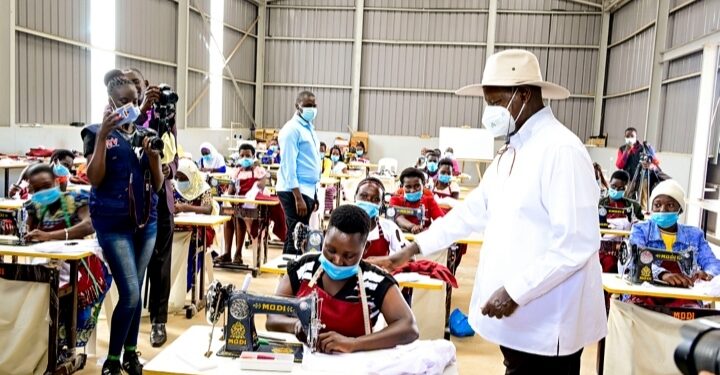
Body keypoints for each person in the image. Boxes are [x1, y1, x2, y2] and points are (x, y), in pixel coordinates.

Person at [369, 50, 606, 374]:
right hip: (520, 319)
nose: (489, 112)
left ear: (524, 94)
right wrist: (409, 251)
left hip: (549, 322)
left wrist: (515, 291)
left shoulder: (560, 151)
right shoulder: (512, 152)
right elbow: (471, 211)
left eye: (495, 102)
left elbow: (576, 243)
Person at [81, 69, 163, 375]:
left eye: (134, 100)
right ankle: (112, 361)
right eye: (122, 101)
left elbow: (157, 185)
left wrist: (154, 158)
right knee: (129, 292)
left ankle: (130, 354)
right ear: (110, 102)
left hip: (146, 222)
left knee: (135, 293)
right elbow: (94, 177)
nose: (128, 106)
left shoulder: (146, 134)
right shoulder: (94, 132)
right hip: (112, 223)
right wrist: (103, 135)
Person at [265, 205, 418, 353]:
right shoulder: (304, 267)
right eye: (330, 250)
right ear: (324, 236)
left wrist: (353, 344)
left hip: (353, 366)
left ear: (365, 248)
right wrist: (295, 325)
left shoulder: (375, 281)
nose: (337, 260)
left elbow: (409, 328)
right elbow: (272, 318)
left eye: (348, 255)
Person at [23, 163, 111, 352]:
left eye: (46, 186)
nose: (42, 192)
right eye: (36, 189)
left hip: (80, 269)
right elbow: (29, 234)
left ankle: (68, 348)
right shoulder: (35, 207)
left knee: (72, 307)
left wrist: (50, 236)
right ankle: (49, 348)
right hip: (51, 268)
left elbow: (89, 225)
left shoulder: (75, 199)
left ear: (56, 182)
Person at [129, 69, 179, 349]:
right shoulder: (123, 114)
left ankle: (158, 322)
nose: (138, 88)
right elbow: (124, 136)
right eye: (132, 86)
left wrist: (166, 169)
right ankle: (130, 321)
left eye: (140, 84)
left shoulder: (165, 118)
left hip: (162, 198)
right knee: (134, 264)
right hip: (134, 199)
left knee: (161, 263)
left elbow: (175, 158)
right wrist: (141, 108)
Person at [276, 91, 321, 255]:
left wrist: (315, 195)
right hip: (294, 190)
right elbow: (289, 166)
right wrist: (298, 197)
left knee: (301, 236)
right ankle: (288, 276)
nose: (312, 108)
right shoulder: (291, 130)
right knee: (295, 235)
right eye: (308, 105)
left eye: (314, 105)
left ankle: (295, 274)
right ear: (298, 106)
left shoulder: (309, 129)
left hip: (307, 189)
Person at [217, 143, 267, 264]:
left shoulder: (259, 171)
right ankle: (227, 253)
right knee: (228, 218)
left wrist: (253, 191)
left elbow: (262, 186)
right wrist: (231, 194)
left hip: (253, 207)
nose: (245, 158)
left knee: (239, 217)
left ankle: (238, 253)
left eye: (248, 155)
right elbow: (230, 190)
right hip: (238, 205)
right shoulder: (236, 172)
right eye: (242, 155)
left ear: (253, 156)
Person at [173, 158, 216, 295]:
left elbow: (208, 209)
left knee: (193, 244)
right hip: (178, 227)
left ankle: (186, 284)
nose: (180, 181)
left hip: (198, 229)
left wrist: (185, 208)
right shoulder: (174, 186)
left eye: (183, 178)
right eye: (177, 177)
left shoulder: (204, 189)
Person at [598, 170, 644, 273]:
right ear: (609, 183)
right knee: (609, 265)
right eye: (613, 186)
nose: (616, 190)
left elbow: (641, 227)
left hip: (624, 249)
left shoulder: (633, 206)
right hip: (601, 249)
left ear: (626, 188)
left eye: (621, 188)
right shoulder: (599, 204)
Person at [354, 177, 408, 258]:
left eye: (375, 199)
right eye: (364, 196)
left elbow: (407, 256)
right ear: (355, 197)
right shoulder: (342, 225)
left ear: (382, 204)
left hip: (380, 270)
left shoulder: (389, 228)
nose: (368, 201)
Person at [389, 167, 445, 234]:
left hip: (424, 239)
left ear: (423, 185)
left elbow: (442, 221)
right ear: (402, 186)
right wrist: (412, 226)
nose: (412, 190)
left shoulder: (429, 200)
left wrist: (429, 230)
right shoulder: (395, 200)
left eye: (417, 186)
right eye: (408, 187)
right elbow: (397, 216)